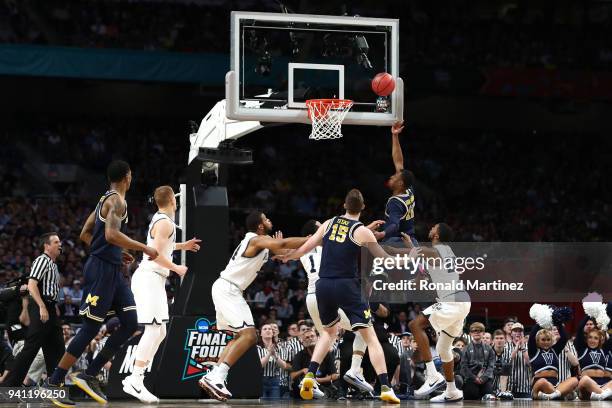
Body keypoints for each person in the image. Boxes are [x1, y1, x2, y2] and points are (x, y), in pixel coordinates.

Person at [42, 160, 158, 407]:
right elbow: (110, 235)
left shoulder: (103, 199)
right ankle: (54, 382)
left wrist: (116, 253)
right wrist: (142, 247)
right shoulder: (116, 200)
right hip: (102, 271)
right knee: (90, 328)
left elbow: (86, 233)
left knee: (130, 323)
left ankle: (89, 374)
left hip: (113, 269)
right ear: (128, 177)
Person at [278, 189, 404, 403]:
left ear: (344, 205)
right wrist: (406, 258)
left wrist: (289, 257)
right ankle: (385, 387)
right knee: (370, 337)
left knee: (328, 333)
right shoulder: (362, 231)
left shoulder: (328, 223)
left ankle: (310, 375)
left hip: (323, 285)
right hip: (346, 285)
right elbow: (383, 257)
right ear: (362, 208)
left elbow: (306, 246)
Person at [198, 211, 308, 401]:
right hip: (228, 289)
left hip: (228, 288)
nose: (269, 220)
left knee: (237, 337)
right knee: (249, 336)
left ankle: (214, 375)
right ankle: (218, 376)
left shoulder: (261, 244)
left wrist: (290, 250)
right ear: (259, 226)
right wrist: (312, 238)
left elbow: (285, 252)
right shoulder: (254, 240)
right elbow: (282, 245)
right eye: (266, 219)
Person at [122, 185, 201, 403]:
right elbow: (155, 255)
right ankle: (135, 379)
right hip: (149, 277)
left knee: (161, 331)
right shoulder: (165, 222)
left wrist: (183, 245)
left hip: (154, 279)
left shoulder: (162, 220)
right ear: (174, 202)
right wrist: (177, 268)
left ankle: (138, 378)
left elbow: (161, 245)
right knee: (154, 329)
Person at [299, 219, 373, 394]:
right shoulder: (328, 247)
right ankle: (355, 370)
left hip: (311, 297)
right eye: (321, 229)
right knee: (365, 329)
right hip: (328, 293)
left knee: (326, 341)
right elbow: (347, 239)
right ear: (314, 235)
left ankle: (310, 378)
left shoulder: (304, 250)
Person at [406, 223, 471, 402]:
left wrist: (407, 246)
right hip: (460, 301)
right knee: (443, 348)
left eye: (434, 227)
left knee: (415, 324)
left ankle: (432, 374)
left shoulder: (438, 250)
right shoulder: (445, 250)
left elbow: (417, 253)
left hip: (453, 300)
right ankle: (452, 391)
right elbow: (425, 271)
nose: (431, 228)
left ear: (437, 234)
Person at [3, 233, 64, 387]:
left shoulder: (53, 264)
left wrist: (52, 306)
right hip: (40, 305)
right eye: (56, 242)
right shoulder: (42, 260)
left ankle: (54, 384)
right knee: (31, 347)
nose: (60, 244)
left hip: (49, 307)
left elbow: (49, 289)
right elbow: (31, 284)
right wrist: (42, 306)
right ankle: (10, 385)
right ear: (47, 246)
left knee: (57, 348)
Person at [373, 121, 417, 245]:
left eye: (395, 177)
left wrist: (382, 234)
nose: (392, 177)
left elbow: (394, 225)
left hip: (397, 241)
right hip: (410, 239)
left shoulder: (395, 203)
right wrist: (395, 135)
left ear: (400, 184)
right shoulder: (408, 190)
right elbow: (398, 161)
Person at [528, 322, 578, 400]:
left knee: (574, 380)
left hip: (555, 385)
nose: (546, 342)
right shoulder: (533, 351)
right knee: (543, 381)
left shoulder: (555, 350)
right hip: (539, 384)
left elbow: (564, 337)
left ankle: (553, 395)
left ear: (551, 340)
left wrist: (558, 323)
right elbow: (531, 337)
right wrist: (540, 322)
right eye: (543, 340)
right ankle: (558, 395)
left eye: (548, 340)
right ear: (537, 341)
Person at [290, 329, 337, 399]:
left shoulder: (326, 354)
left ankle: (319, 392)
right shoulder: (299, 355)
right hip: (304, 387)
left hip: (322, 385)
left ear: (318, 338)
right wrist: (302, 370)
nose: (310, 338)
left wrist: (317, 380)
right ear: (303, 342)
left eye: (312, 336)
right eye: (307, 337)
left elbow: (334, 375)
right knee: (297, 384)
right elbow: (292, 376)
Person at [574, 315, 612, 400]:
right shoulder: (582, 349)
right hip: (587, 386)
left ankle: (601, 395)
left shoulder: (604, 350)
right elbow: (580, 328)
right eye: (590, 338)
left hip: (602, 384)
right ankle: (606, 395)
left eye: (596, 338)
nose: (592, 340)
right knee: (585, 379)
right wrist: (590, 314)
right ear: (586, 339)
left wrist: (604, 324)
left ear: (599, 340)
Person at [460, 322, 496, 400]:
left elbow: (491, 366)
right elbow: (464, 367)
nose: (476, 332)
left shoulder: (489, 349)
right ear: (470, 334)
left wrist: (483, 378)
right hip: (470, 379)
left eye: (479, 330)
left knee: (489, 395)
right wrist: (474, 378)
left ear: (483, 333)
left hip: (485, 379)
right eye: (474, 330)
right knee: (472, 393)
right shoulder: (465, 349)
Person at [257, 323, 287, 399]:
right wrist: (269, 354)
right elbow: (259, 366)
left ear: (273, 333)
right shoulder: (257, 348)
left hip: (274, 380)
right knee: (262, 405)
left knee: (275, 404)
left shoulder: (279, 347)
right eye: (265, 329)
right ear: (261, 334)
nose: (268, 330)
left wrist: (275, 355)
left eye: (270, 329)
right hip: (260, 380)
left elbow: (284, 366)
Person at [508, 322, 532, 398]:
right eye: (515, 331)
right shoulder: (506, 346)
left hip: (525, 386)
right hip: (509, 386)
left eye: (520, 331)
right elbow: (508, 361)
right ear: (511, 333)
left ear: (523, 333)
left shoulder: (529, 347)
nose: (517, 333)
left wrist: (523, 347)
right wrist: (516, 348)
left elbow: (529, 363)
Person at [491, 329, 512, 398]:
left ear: (505, 340)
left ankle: (503, 393)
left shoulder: (509, 353)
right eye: (496, 338)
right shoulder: (488, 353)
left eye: (501, 338)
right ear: (493, 340)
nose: (499, 340)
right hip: (489, 387)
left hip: (505, 386)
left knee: (506, 366)